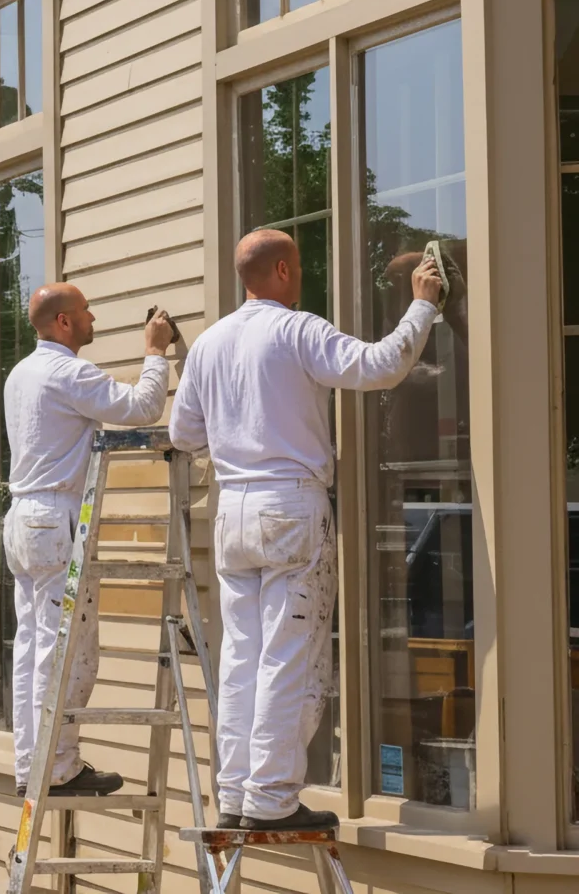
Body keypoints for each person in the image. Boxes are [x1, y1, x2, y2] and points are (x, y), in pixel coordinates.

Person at [169, 229, 442, 831]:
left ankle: (237, 795)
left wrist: (237, 422)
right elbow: (379, 365)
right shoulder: (296, 330)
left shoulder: (211, 344)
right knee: (290, 655)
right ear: (285, 272)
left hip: (232, 511)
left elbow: (184, 435)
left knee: (242, 656)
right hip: (289, 507)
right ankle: (272, 799)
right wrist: (422, 302)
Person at [2, 283, 177, 797]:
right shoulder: (66, 372)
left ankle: (30, 766)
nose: (93, 315)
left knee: (34, 646)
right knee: (66, 649)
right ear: (62, 323)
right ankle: (56, 767)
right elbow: (142, 406)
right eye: (84, 311)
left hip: (23, 519)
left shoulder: (20, 373)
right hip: (54, 519)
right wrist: (155, 349)